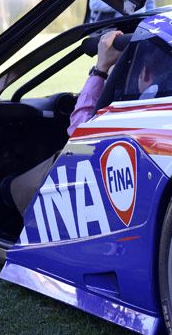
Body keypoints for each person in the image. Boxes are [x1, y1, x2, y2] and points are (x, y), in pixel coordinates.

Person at [8, 30, 123, 213]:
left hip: (104, 171)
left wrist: (100, 70)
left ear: (145, 73)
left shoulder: (134, 98)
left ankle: (8, 194)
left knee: (68, 155)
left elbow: (78, 134)